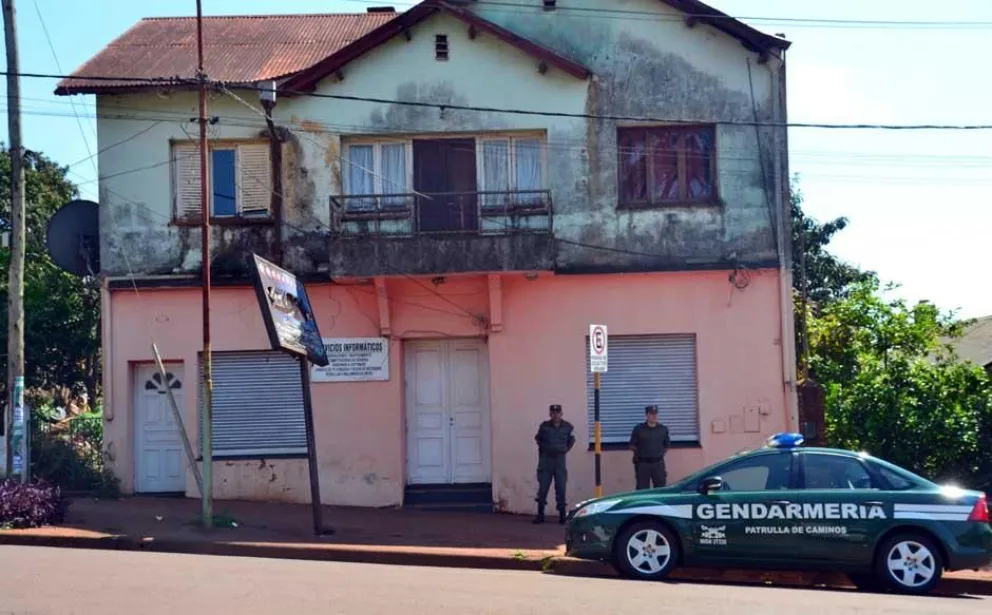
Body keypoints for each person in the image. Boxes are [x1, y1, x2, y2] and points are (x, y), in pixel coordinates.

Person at [533, 404, 575, 524]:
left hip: (560, 461)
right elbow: (538, 438)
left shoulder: (567, 427)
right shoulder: (544, 426)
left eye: (558, 413)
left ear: (561, 414)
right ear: (550, 414)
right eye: (553, 413)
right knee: (543, 488)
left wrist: (564, 450)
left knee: (561, 487)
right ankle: (540, 515)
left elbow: (571, 440)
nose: (555, 415)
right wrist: (545, 449)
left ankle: (562, 515)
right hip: (546, 461)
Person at [629, 405, 670, 490]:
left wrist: (657, 454)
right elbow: (632, 445)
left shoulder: (663, 429)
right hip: (643, 464)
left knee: (660, 489)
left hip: (658, 464)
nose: (654, 416)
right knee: (642, 490)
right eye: (651, 414)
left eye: (656, 414)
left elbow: (666, 446)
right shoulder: (638, 429)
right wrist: (642, 453)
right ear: (647, 415)